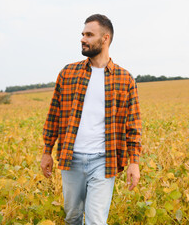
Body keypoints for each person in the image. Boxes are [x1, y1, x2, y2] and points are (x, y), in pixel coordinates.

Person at [40, 14, 142, 225]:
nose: (83, 39)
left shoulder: (124, 79)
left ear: (105, 39)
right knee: (73, 217)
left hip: (104, 161)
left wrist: (134, 162)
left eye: (89, 35)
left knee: (96, 220)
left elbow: (133, 123)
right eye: (82, 34)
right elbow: (54, 115)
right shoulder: (68, 73)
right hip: (71, 158)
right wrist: (46, 151)